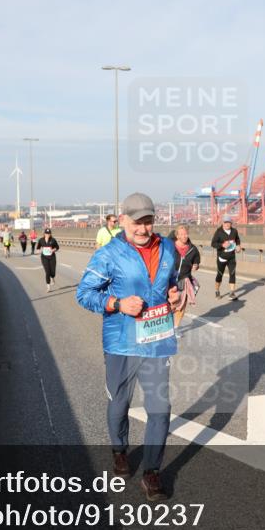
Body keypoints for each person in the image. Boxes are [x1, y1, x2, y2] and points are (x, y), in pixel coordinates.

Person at [76, 192, 181, 502]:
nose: (143, 228)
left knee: (160, 409)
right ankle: (119, 450)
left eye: (148, 221)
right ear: (122, 220)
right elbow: (84, 294)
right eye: (137, 222)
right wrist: (117, 303)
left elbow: (172, 281)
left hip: (157, 340)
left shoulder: (168, 248)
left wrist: (174, 294)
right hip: (121, 343)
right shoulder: (108, 254)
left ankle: (152, 473)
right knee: (119, 403)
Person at [170, 224, 201, 327]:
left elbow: (197, 260)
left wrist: (196, 265)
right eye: (182, 234)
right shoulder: (170, 247)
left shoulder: (192, 249)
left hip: (184, 280)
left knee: (182, 305)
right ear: (177, 235)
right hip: (169, 281)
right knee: (170, 305)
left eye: (186, 234)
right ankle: (167, 327)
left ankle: (176, 328)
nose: (184, 236)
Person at [210, 216, 243, 300]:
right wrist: (222, 245)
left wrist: (238, 246)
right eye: (225, 222)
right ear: (223, 223)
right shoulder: (219, 232)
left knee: (232, 273)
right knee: (220, 275)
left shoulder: (234, 231)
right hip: (222, 257)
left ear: (231, 223)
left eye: (229, 223)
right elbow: (213, 244)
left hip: (232, 257)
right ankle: (217, 291)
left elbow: (237, 239)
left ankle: (232, 293)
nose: (227, 224)